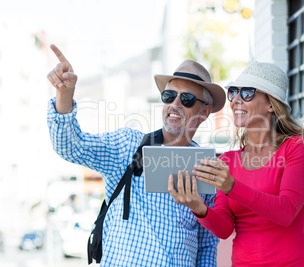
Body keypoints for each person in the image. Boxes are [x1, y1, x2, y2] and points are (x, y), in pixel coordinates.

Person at [46, 44, 226, 266]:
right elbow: (71, 146)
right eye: (169, 96)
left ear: (204, 112)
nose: (175, 104)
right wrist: (64, 94)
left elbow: (207, 245)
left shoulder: (206, 168)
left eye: (187, 99)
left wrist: (197, 207)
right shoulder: (127, 145)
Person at [168, 61, 304, 266]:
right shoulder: (227, 161)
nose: (236, 100)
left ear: (271, 105)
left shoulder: (297, 147)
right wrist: (197, 207)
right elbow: (225, 229)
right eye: (233, 92)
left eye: (247, 93)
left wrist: (231, 186)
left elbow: (286, 212)